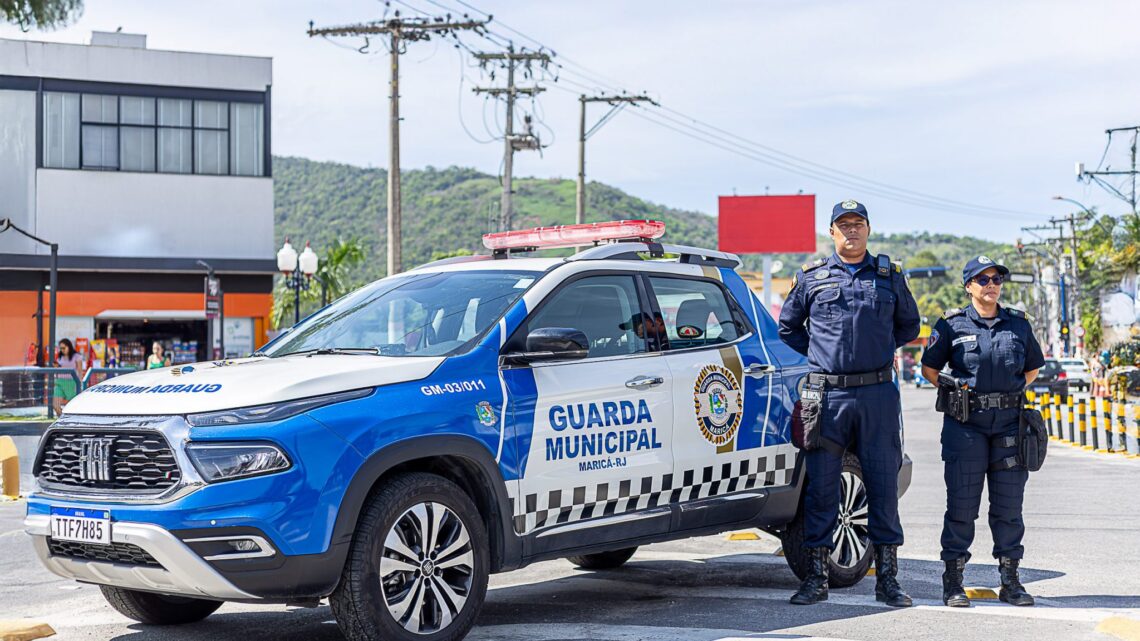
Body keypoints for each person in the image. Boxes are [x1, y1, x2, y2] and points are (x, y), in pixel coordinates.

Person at [778, 199, 921, 607]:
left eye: (858, 224)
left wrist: (875, 350)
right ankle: (816, 578)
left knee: (882, 486)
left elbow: (909, 325)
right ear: (832, 232)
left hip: (877, 395)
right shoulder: (811, 278)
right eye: (844, 225)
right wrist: (823, 355)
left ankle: (888, 580)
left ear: (868, 230)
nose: (851, 231)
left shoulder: (889, 276)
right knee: (822, 488)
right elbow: (788, 328)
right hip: (828, 397)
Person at [920, 256, 1044, 608]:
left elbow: (1032, 368)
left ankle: (1011, 581)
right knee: (962, 506)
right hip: (965, 426)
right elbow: (930, 368)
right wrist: (955, 392)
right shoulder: (951, 324)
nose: (991, 285)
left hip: (1009, 425)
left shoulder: (1018, 324)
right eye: (983, 279)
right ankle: (953, 582)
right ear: (968, 286)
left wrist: (1007, 393)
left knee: (1009, 507)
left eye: (996, 279)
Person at [53, 339, 84, 414]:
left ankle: (68, 419)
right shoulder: (59, 357)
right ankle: (62, 419)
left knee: (72, 407)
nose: (62, 350)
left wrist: (79, 384)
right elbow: (57, 369)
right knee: (55, 405)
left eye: (64, 348)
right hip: (59, 382)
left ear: (69, 346)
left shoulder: (77, 356)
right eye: (60, 348)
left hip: (72, 383)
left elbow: (80, 371)